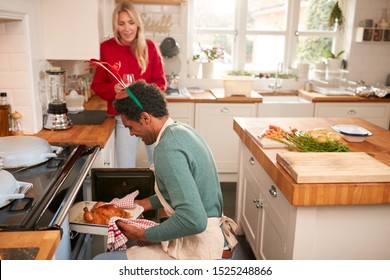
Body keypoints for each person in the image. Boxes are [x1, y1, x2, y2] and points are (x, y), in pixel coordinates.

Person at [93, 80, 238, 260]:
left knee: (99, 262)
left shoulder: (167, 150)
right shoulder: (181, 131)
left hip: (202, 250)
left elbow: (193, 220)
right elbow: (184, 190)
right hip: (218, 241)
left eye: (130, 126)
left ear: (145, 118)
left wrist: (142, 234)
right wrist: (144, 203)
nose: (131, 133)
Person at [91, 1, 167, 168]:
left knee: (160, 164)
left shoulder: (150, 48)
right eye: (121, 23)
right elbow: (97, 85)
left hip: (151, 117)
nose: (127, 29)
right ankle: (130, 195)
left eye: (131, 23)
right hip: (124, 118)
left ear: (137, 24)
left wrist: (140, 95)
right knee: (125, 167)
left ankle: (159, 194)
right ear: (115, 26)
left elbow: (160, 83)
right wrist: (114, 90)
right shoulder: (106, 48)